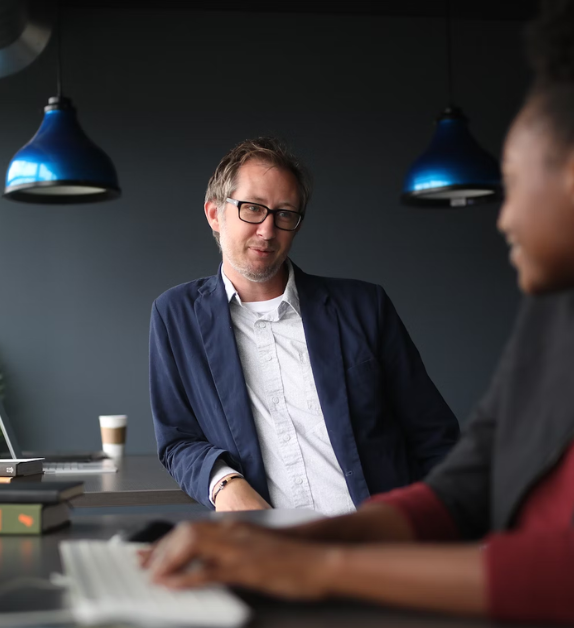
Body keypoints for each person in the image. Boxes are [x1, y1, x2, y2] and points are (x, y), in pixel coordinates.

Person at [141, 1, 574, 625]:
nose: (502, 217)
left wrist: (320, 569)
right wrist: (294, 542)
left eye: (509, 183)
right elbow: (463, 485)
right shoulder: (561, 314)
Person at [148, 137, 460, 516]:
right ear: (215, 214)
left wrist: (436, 525)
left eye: (284, 214)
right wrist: (223, 483)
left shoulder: (364, 306)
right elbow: (178, 440)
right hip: (270, 552)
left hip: (378, 544)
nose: (267, 230)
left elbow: (433, 432)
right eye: (252, 209)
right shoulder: (176, 315)